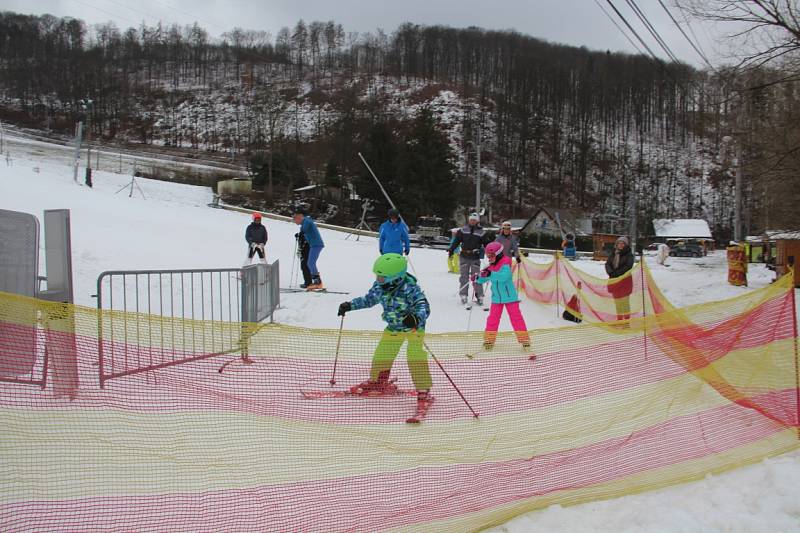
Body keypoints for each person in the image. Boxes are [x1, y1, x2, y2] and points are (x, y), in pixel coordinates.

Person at [337, 253, 433, 422]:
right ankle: (378, 382)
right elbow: (369, 299)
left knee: (415, 357)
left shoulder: (410, 289)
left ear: (395, 277)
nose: (378, 279)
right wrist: (350, 305)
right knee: (382, 355)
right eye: (377, 276)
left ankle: (424, 392)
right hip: (393, 327)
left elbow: (423, 306)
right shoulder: (380, 287)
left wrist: (416, 317)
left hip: (413, 329)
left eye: (382, 277)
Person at [474, 241, 530, 350]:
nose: (489, 258)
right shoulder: (491, 265)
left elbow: (504, 276)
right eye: (488, 256)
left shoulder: (505, 263)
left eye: (491, 256)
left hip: (510, 297)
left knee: (516, 318)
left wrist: (491, 274)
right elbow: (484, 277)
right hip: (496, 298)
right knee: (492, 319)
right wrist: (478, 278)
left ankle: (524, 340)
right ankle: (489, 340)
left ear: (499, 254)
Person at [448, 213, 488, 307]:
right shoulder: (462, 230)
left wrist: (491, 254)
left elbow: (487, 244)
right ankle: (463, 295)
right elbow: (456, 241)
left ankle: (479, 296)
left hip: (475, 257)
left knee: (477, 278)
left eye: (474, 220)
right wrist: (451, 250)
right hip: (464, 256)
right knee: (464, 277)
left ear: (477, 221)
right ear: (469, 220)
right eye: (471, 220)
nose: (472, 221)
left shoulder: (481, 232)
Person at [293, 207, 325, 290]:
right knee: (310, 263)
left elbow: (305, 228)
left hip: (316, 244)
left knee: (310, 263)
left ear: (300, 216)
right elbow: (305, 232)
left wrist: (301, 233)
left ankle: (318, 282)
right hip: (314, 245)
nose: (294, 220)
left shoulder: (306, 221)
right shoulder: (305, 222)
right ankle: (316, 282)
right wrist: (300, 235)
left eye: (295, 218)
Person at [605, 236, 635, 322]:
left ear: (626, 245)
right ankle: (619, 320)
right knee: (617, 302)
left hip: (625, 281)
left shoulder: (629, 255)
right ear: (616, 244)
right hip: (614, 281)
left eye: (623, 243)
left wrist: (616, 274)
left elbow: (628, 266)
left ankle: (626, 322)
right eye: (619, 243)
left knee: (625, 302)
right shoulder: (613, 253)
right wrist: (610, 272)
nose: (621, 245)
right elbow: (607, 264)